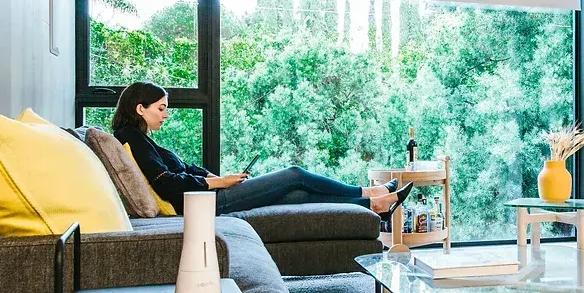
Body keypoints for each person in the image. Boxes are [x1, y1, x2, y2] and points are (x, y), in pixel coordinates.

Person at [112, 82, 412, 220]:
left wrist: (213, 175)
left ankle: (374, 206)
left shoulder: (141, 139)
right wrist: (218, 182)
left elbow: (181, 171)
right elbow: (166, 182)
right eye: (161, 108)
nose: (166, 115)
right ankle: (370, 193)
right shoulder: (130, 139)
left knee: (297, 196)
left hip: (208, 197)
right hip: (206, 205)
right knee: (294, 175)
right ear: (141, 108)